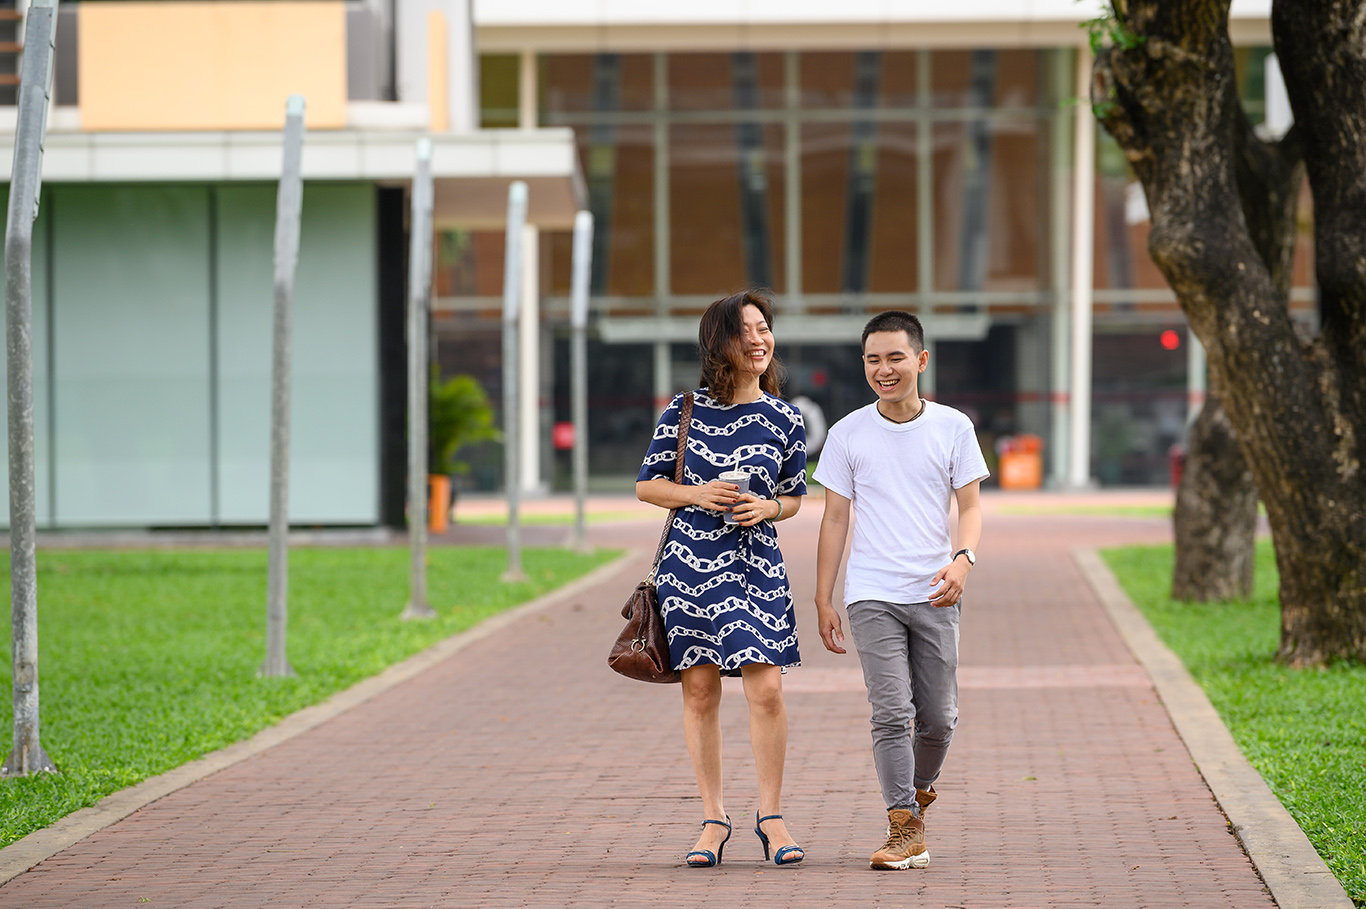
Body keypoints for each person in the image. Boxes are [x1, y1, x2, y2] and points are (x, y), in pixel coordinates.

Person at [636, 290, 808, 868]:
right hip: (687, 566)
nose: (760, 340)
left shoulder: (785, 416)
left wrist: (769, 509)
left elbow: (796, 497)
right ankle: (713, 818)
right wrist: (697, 495)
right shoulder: (682, 410)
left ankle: (772, 815)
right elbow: (646, 486)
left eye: (765, 329)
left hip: (757, 566)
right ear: (719, 344)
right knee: (701, 691)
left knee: (768, 689)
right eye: (746, 331)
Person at [811, 310, 988, 871]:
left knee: (939, 718)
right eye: (872, 359)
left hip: (936, 589)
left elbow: (971, 506)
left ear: (920, 360)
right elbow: (834, 519)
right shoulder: (847, 433)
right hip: (872, 593)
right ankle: (901, 826)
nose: (883, 369)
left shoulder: (953, 427)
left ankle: (917, 793)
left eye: (894, 357)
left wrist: (963, 560)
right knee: (891, 712)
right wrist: (823, 596)